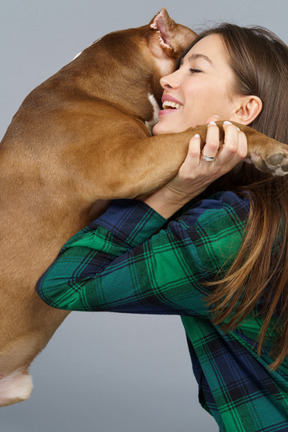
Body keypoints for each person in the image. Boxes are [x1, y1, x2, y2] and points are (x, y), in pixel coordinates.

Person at [36, 24, 288, 431]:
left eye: (195, 69)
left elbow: (65, 284)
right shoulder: (261, 212)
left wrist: (171, 193)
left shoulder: (225, 230)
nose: (166, 78)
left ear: (244, 113)